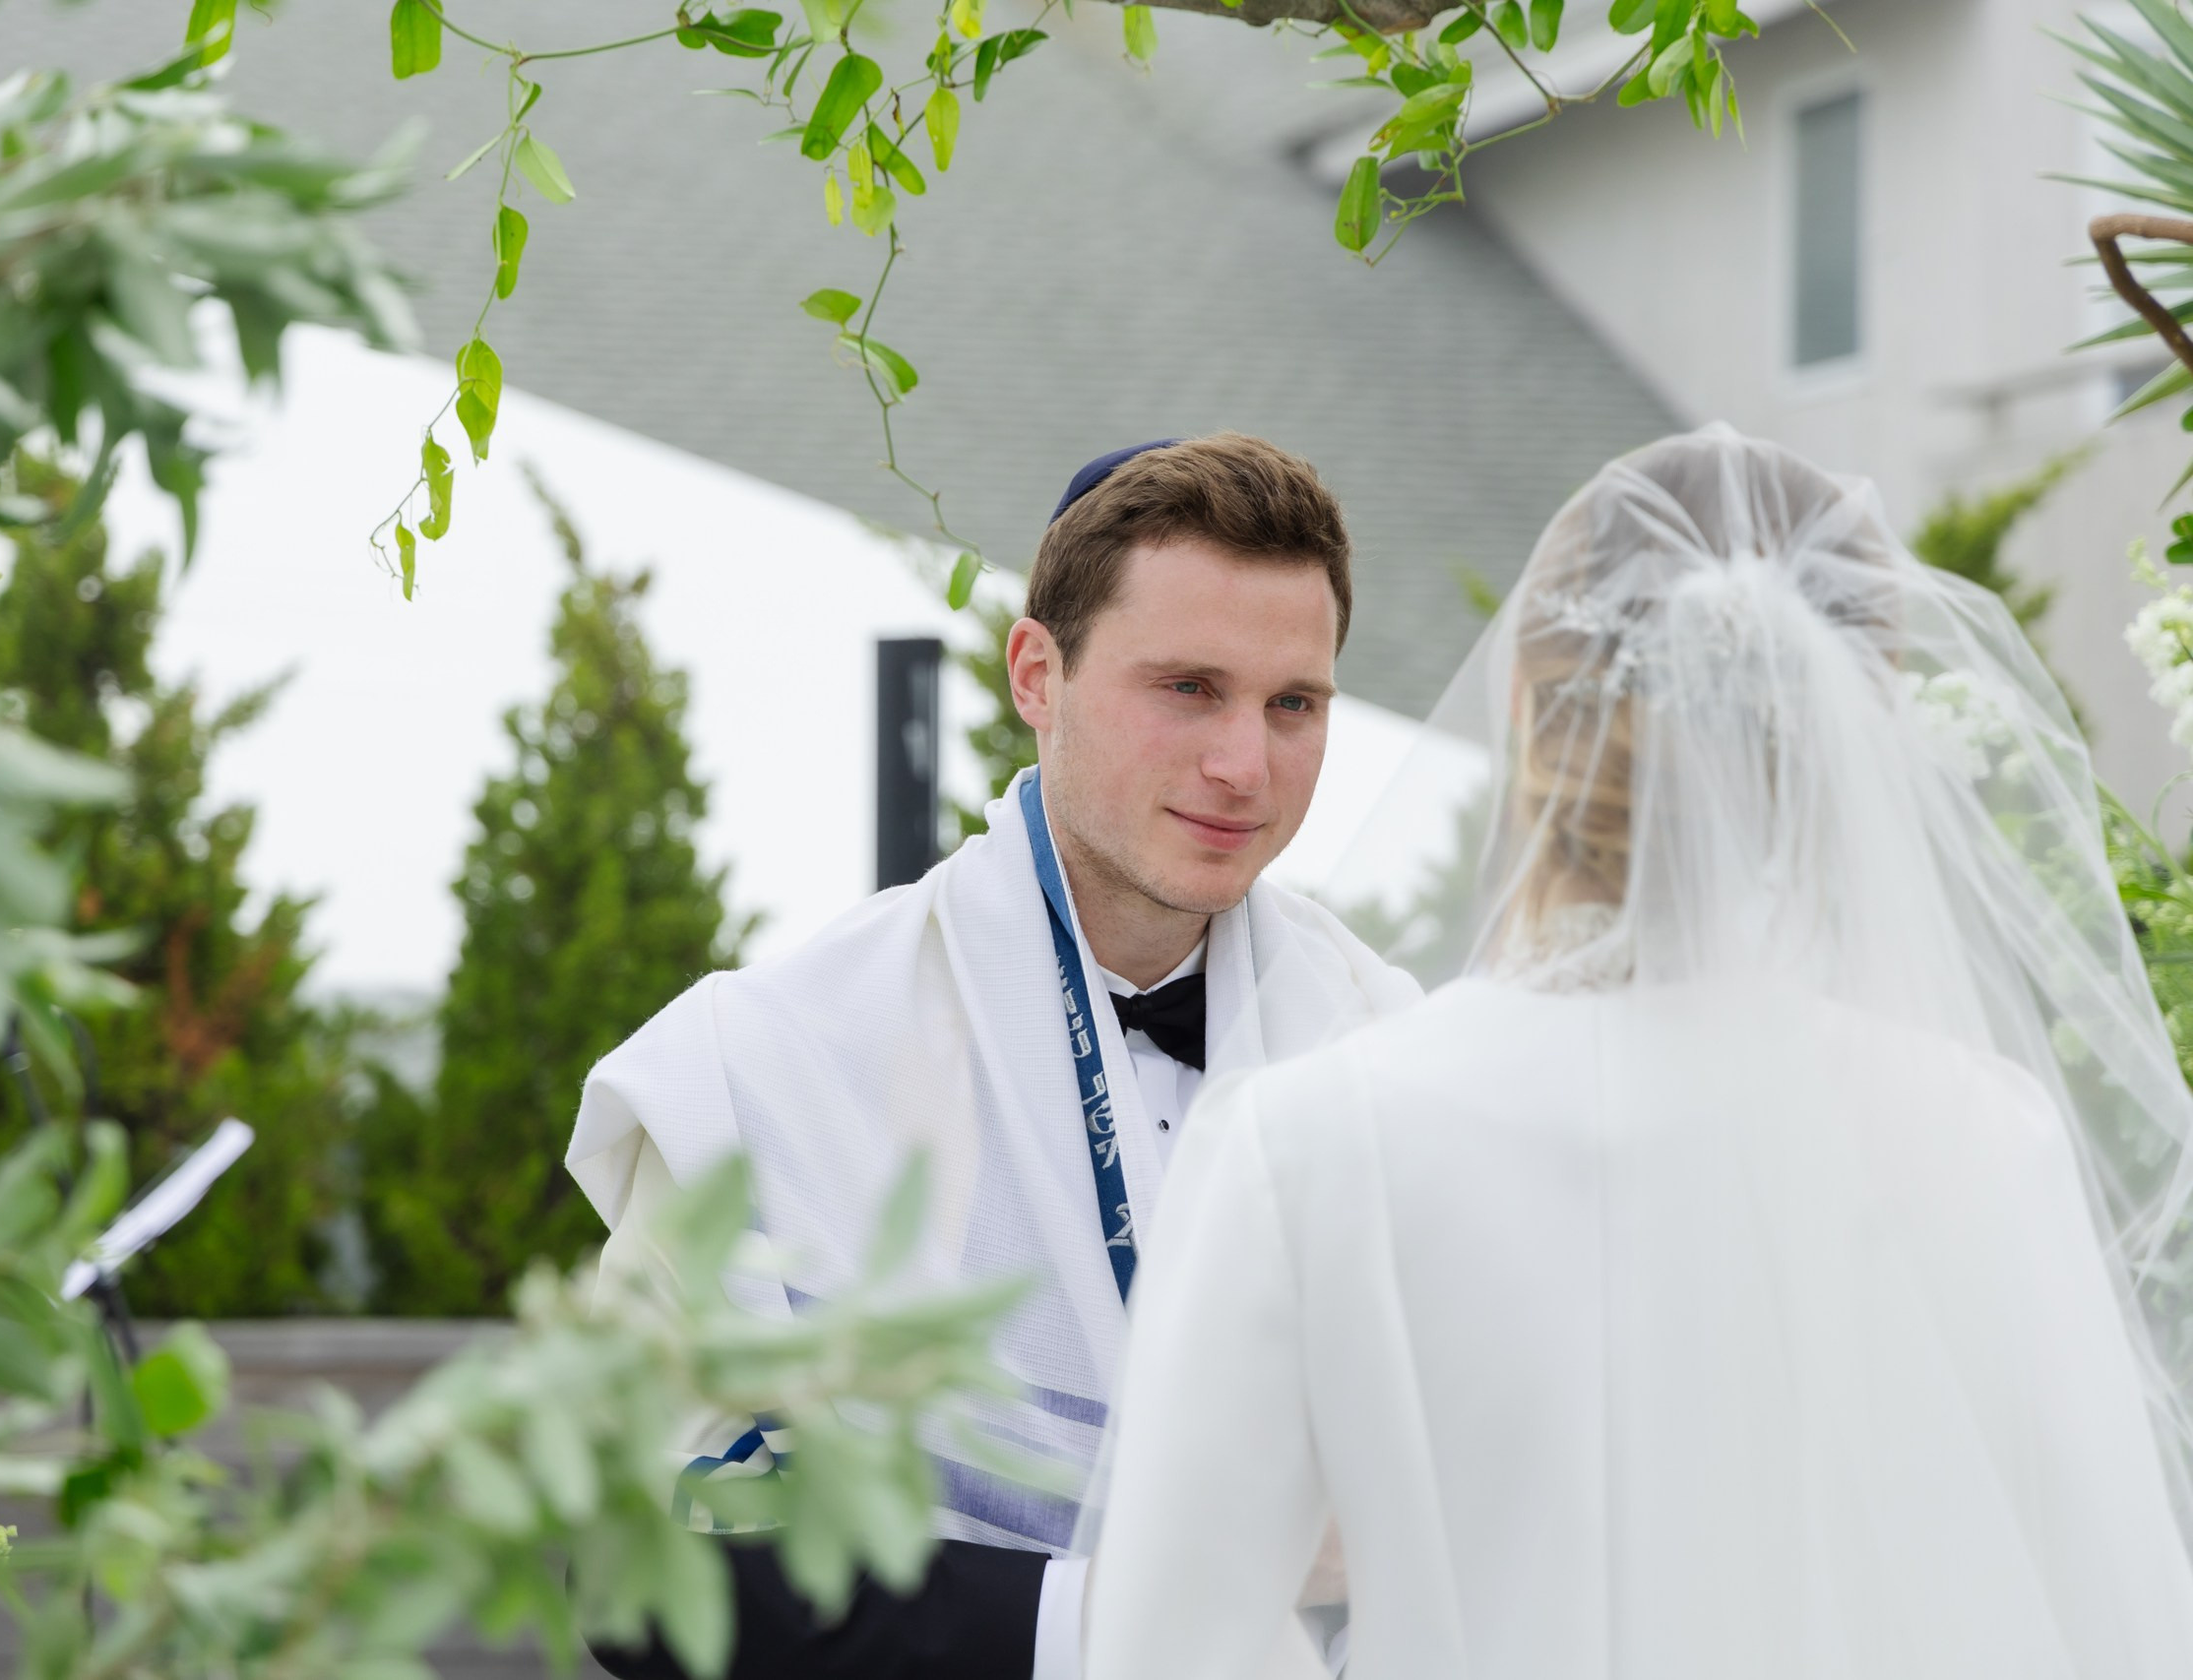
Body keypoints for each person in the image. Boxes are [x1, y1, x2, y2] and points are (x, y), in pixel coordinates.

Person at [1082, 425, 2193, 1679]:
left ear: (1523, 699)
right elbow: (2121, 1629)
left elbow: (1162, 1651)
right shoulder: (1984, 1136)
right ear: (1851, 736)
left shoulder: (1310, 1148)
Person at [572, 432, 1419, 1680]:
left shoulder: (1393, 1040)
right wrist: (1110, 1624)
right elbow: (643, 1569)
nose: (1245, 764)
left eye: (1292, 703)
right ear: (1037, 673)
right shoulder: (765, 1060)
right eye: (1187, 686)